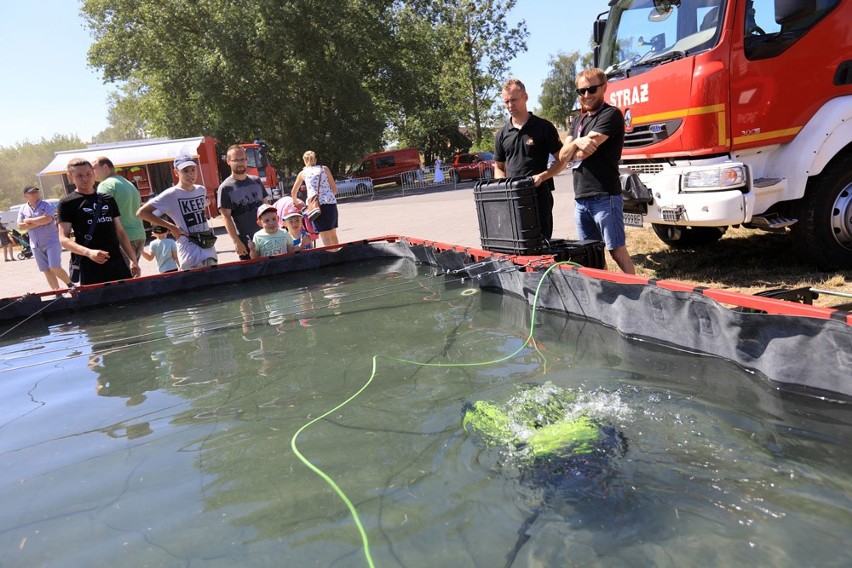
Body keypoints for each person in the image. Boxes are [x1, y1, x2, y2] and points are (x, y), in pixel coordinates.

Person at [559, 68, 635, 274]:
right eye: (581, 91)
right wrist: (578, 141)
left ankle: (637, 292)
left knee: (616, 250)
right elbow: (562, 155)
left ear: (604, 87)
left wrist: (575, 148)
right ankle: (608, 291)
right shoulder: (577, 122)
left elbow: (583, 153)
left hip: (605, 196)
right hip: (581, 199)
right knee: (592, 253)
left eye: (591, 89)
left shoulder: (610, 115)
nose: (586, 95)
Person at [494, 78, 568, 241]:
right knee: (516, 243)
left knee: (541, 243)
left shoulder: (544, 127)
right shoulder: (501, 134)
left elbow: (562, 160)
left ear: (525, 97)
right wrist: (503, 186)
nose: (509, 105)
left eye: (514, 100)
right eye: (506, 101)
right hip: (513, 198)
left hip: (539, 196)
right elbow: (498, 167)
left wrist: (543, 176)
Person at [58, 158, 140, 284]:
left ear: (93, 173)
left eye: (88, 174)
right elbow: (63, 239)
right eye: (79, 175)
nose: (85, 179)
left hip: (116, 262)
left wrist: (133, 260)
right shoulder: (67, 203)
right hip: (89, 266)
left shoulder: (108, 199)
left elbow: (120, 232)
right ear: (70, 177)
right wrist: (89, 252)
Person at [137, 154, 218, 271]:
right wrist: (172, 227)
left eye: (193, 170)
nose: (190, 174)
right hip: (189, 252)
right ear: (176, 172)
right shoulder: (171, 194)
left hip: (208, 248)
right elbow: (142, 213)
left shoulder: (201, 190)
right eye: (185, 171)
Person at [92, 157, 147, 266]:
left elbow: (102, 214)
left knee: (123, 278)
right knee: (133, 275)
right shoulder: (128, 183)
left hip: (123, 238)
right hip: (139, 235)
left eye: (93, 168)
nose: (91, 173)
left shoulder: (105, 185)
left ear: (105, 167)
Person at [218, 145, 269, 260]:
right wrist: (236, 242)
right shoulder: (225, 188)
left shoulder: (256, 181)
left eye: (242, 159)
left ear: (247, 160)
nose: (240, 163)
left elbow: (267, 207)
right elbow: (226, 218)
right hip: (247, 242)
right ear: (228, 161)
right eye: (235, 160)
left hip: (266, 237)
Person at [16, 185, 72, 289]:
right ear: (25, 196)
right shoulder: (23, 208)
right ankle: (57, 293)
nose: (35, 193)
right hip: (35, 244)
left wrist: (29, 221)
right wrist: (39, 221)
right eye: (32, 192)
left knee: (54, 266)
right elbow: (20, 225)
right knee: (46, 270)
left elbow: (48, 219)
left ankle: (70, 285)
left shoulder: (46, 204)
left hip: (51, 241)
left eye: (36, 191)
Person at [290, 150, 340, 248]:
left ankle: (331, 256)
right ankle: (338, 254)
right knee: (333, 234)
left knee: (325, 236)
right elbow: (334, 188)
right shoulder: (324, 169)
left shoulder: (303, 173)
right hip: (330, 203)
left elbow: (293, 192)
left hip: (315, 206)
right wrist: (328, 197)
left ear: (304, 160)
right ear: (315, 159)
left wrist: (295, 202)